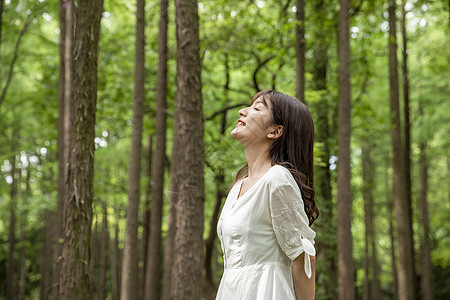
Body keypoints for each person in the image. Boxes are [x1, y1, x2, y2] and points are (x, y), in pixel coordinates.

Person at [216, 90, 319, 300]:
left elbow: (303, 257)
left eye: (256, 108)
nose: (242, 111)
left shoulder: (277, 180)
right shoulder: (237, 187)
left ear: (275, 131)